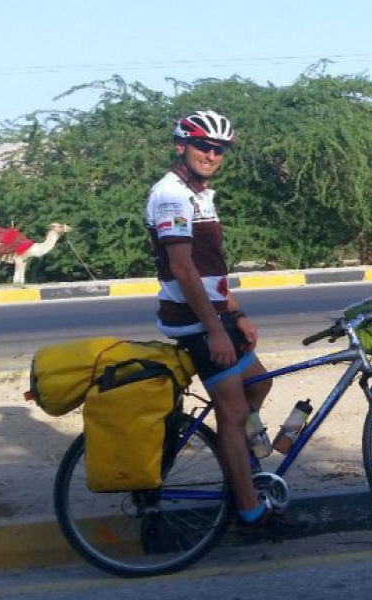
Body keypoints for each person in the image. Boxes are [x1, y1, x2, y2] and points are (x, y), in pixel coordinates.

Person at [143, 110, 279, 530]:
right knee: (235, 415)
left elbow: (208, 269)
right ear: (180, 145)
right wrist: (217, 330)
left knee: (259, 382)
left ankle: (235, 453)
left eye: (219, 149)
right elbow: (183, 269)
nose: (212, 154)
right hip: (194, 322)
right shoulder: (172, 195)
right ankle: (250, 508)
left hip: (215, 315)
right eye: (203, 145)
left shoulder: (199, 193)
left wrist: (237, 314)